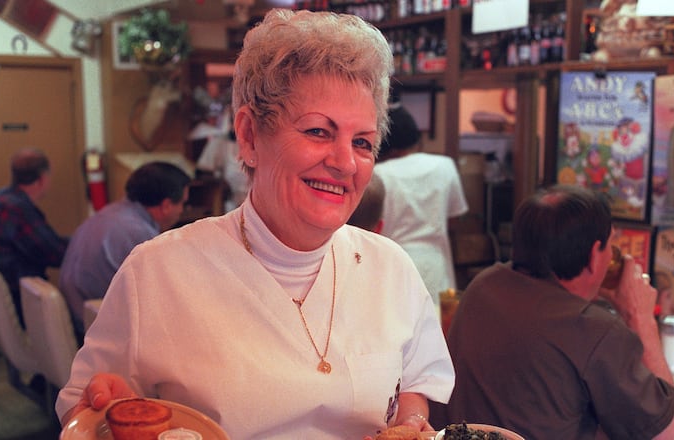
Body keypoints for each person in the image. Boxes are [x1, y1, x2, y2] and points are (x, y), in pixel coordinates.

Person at [55, 9, 454, 439]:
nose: (344, 163)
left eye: (362, 142)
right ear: (248, 136)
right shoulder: (156, 273)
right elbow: (89, 411)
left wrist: (411, 423)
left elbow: (413, 382)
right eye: (319, 131)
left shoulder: (389, 266)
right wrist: (106, 408)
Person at [431, 184, 674, 440]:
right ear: (595, 255)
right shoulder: (595, 329)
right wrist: (640, 316)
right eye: (611, 246)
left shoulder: (483, 286)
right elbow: (664, 434)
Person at [59, 161, 191, 336]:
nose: (182, 210)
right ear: (166, 205)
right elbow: (167, 299)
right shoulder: (139, 235)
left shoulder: (108, 214)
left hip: (77, 322)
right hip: (98, 335)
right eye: (182, 203)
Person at [374, 103, 468, 306]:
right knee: (441, 330)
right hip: (438, 264)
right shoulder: (445, 166)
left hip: (393, 264)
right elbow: (454, 220)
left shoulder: (379, 174)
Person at [0, 147, 69, 327]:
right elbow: (56, 254)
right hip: (19, 301)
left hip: (0, 303)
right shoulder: (18, 210)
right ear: (42, 178)